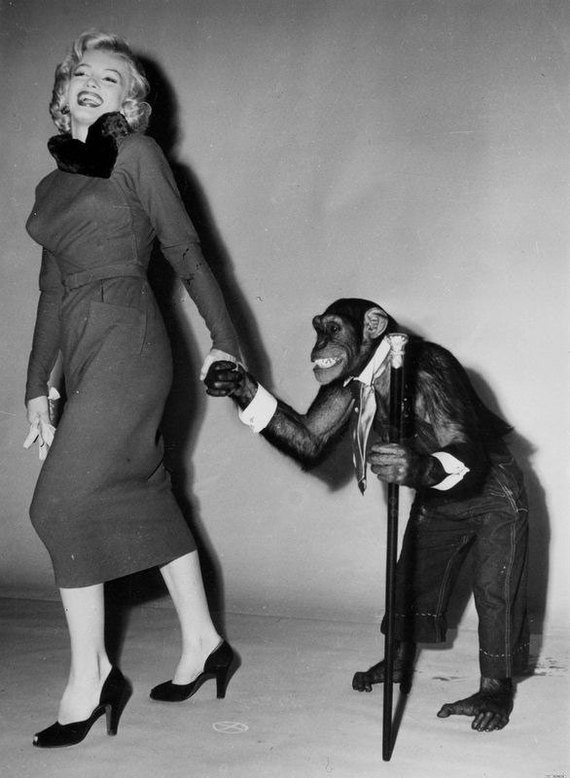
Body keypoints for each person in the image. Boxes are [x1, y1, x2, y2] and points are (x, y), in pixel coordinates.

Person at [23, 30, 239, 748]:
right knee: (143, 493)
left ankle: (91, 677)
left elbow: (185, 250)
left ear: (133, 105)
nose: (92, 81)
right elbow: (52, 290)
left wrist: (226, 339)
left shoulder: (137, 155)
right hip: (84, 343)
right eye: (81, 73)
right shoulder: (53, 184)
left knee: (59, 504)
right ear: (63, 95)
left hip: (131, 338)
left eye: (111, 78)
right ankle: (205, 641)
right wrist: (38, 387)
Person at [205, 298, 529, 732]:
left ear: (373, 325)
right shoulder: (354, 380)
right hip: (436, 488)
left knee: (495, 589)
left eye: (333, 330)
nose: (321, 343)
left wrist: (422, 469)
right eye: (319, 329)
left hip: (489, 484)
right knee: (410, 578)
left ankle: (496, 690)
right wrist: (246, 389)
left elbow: (468, 451)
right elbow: (307, 440)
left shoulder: (427, 364)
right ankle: (397, 661)